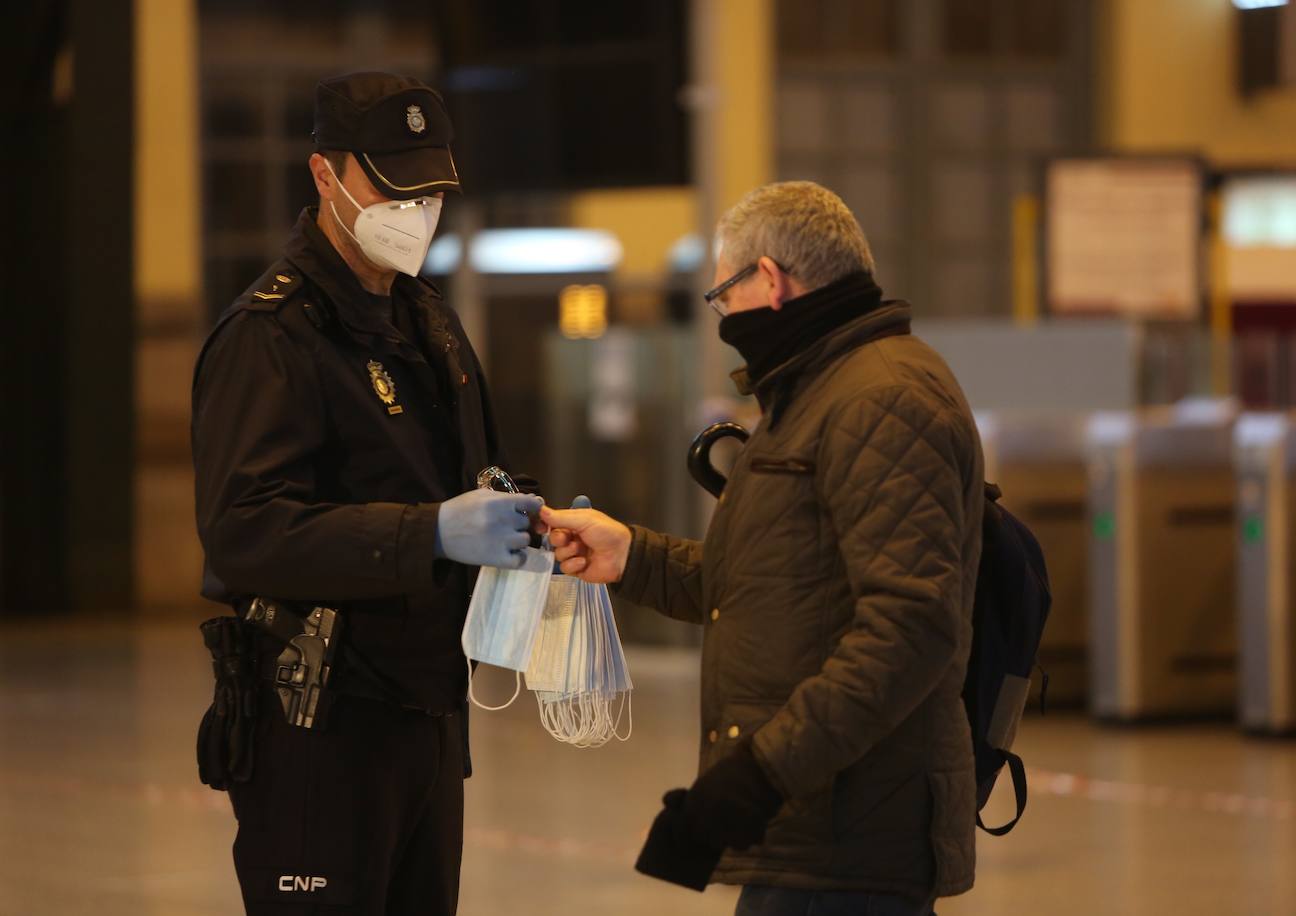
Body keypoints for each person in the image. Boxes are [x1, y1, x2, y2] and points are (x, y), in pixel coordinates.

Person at [542, 181, 985, 916]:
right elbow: (778, 587)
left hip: (850, 841)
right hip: (817, 834)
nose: (724, 317)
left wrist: (759, 777)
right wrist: (633, 557)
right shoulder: (812, 395)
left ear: (769, 281)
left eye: (723, 295)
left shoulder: (880, 398)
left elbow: (912, 627)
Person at [192, 72, 543, 915]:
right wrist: (426, 535)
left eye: (431, 190)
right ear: (324, 176)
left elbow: (474, 476)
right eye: (393, 186)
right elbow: (244, 530)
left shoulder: (430, 325)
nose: (416, 210)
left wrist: (528, 523)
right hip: (321, 729)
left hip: (427, 716)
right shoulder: (270, 338)